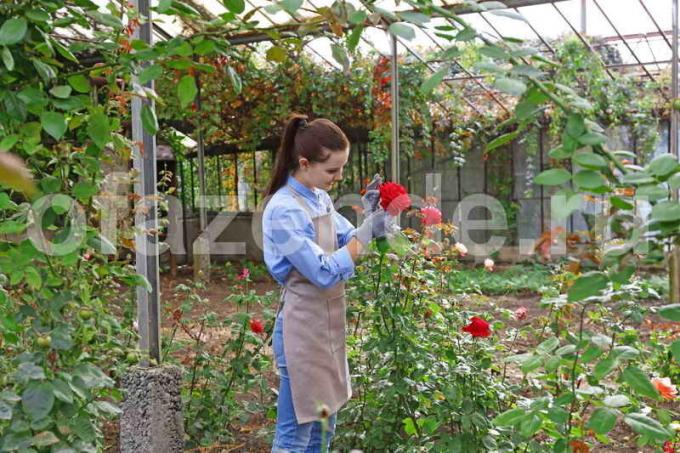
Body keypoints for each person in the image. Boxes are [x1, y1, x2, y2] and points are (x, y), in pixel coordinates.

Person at [262, 113, 387, 452]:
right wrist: (365, 234)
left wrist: (371, 215)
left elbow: (348, 237)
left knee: (322, 428)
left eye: (342, 168)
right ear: (304, 163)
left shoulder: (319, 197)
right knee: (295, 435)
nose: (339, 177)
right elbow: (322, 271)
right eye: (332, 170)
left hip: (326, 325)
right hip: (301, 330)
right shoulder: (284, 210)